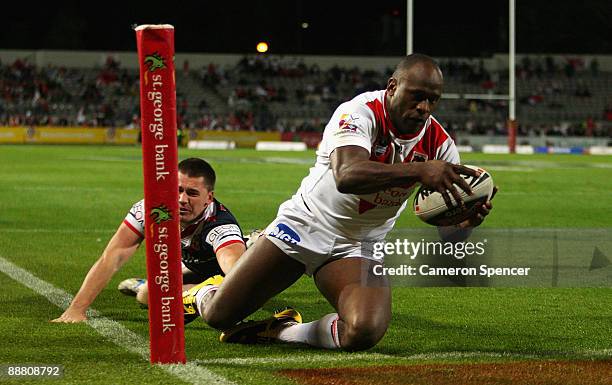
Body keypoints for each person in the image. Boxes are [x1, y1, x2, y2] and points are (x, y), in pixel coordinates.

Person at [182, 54, 496, 351]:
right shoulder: (359, 112)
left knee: (362, 331)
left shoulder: (440, 144)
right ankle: (202, 293)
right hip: (304, 224)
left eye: (433, 99)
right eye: (416, 95)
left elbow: (448, 233)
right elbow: (348, 175)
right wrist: (419, 170)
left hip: (358, 244)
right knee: (218, 315)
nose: (424, 107)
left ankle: (280, 330)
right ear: (392, 87)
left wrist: (465, 222)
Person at [52, 158, 246, 323]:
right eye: (177, 190)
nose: (182, 199)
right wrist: (77, 309)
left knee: (219, 310)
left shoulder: (220, 228)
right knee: (147, 295)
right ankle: (168, 289)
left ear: (209, 198)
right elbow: (113, 256)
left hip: (223, 274)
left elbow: (238, 274)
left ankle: (251, 244)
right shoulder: (151, 210)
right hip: (195, 267)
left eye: (192, 193)